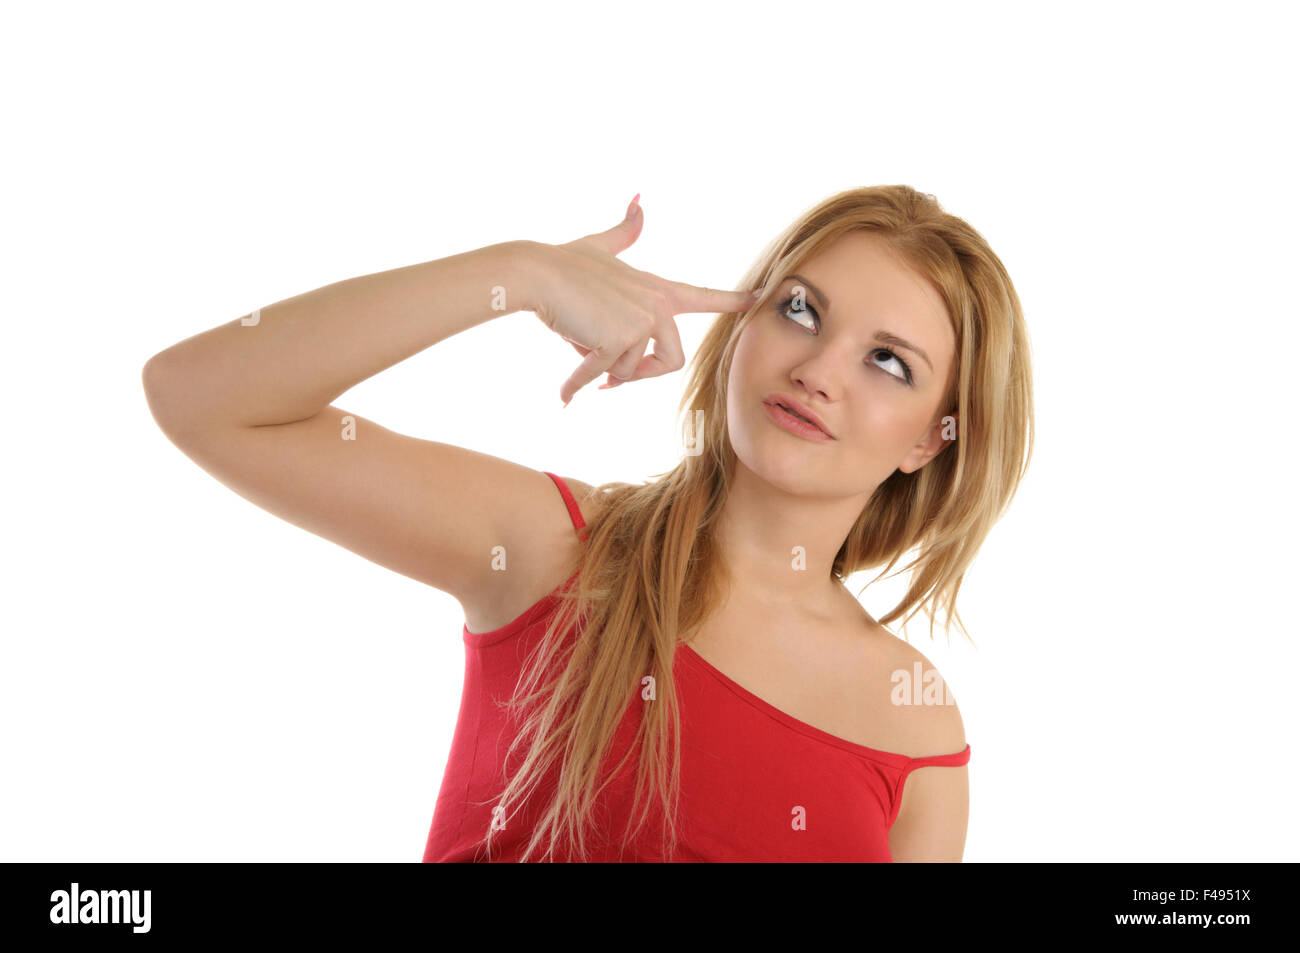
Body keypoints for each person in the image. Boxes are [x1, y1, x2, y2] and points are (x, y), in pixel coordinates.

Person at [142, 186, 1034, 862]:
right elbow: (203, 397)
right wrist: (521, 274)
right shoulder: (555, 548)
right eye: (800, 308)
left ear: (931, 439)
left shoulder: (915, 728)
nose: (819, 369)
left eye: (888, 361)